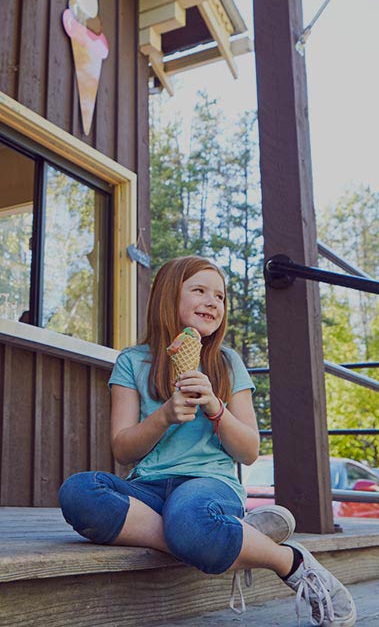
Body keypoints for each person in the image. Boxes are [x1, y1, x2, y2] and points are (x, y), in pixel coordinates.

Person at [59, 255, 357, 627]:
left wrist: (216, 408)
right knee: (79, 492)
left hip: (209, 485)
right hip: (148, 488)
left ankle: (291, 562)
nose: (213, 302)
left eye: (220, 296)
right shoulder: (132, 362)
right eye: (199, 290)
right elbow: (122, 450)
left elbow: (249, 452)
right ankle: (240, 541)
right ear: (168, 297)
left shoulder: (227, 363)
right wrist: (165, 415)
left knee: (190, 517)